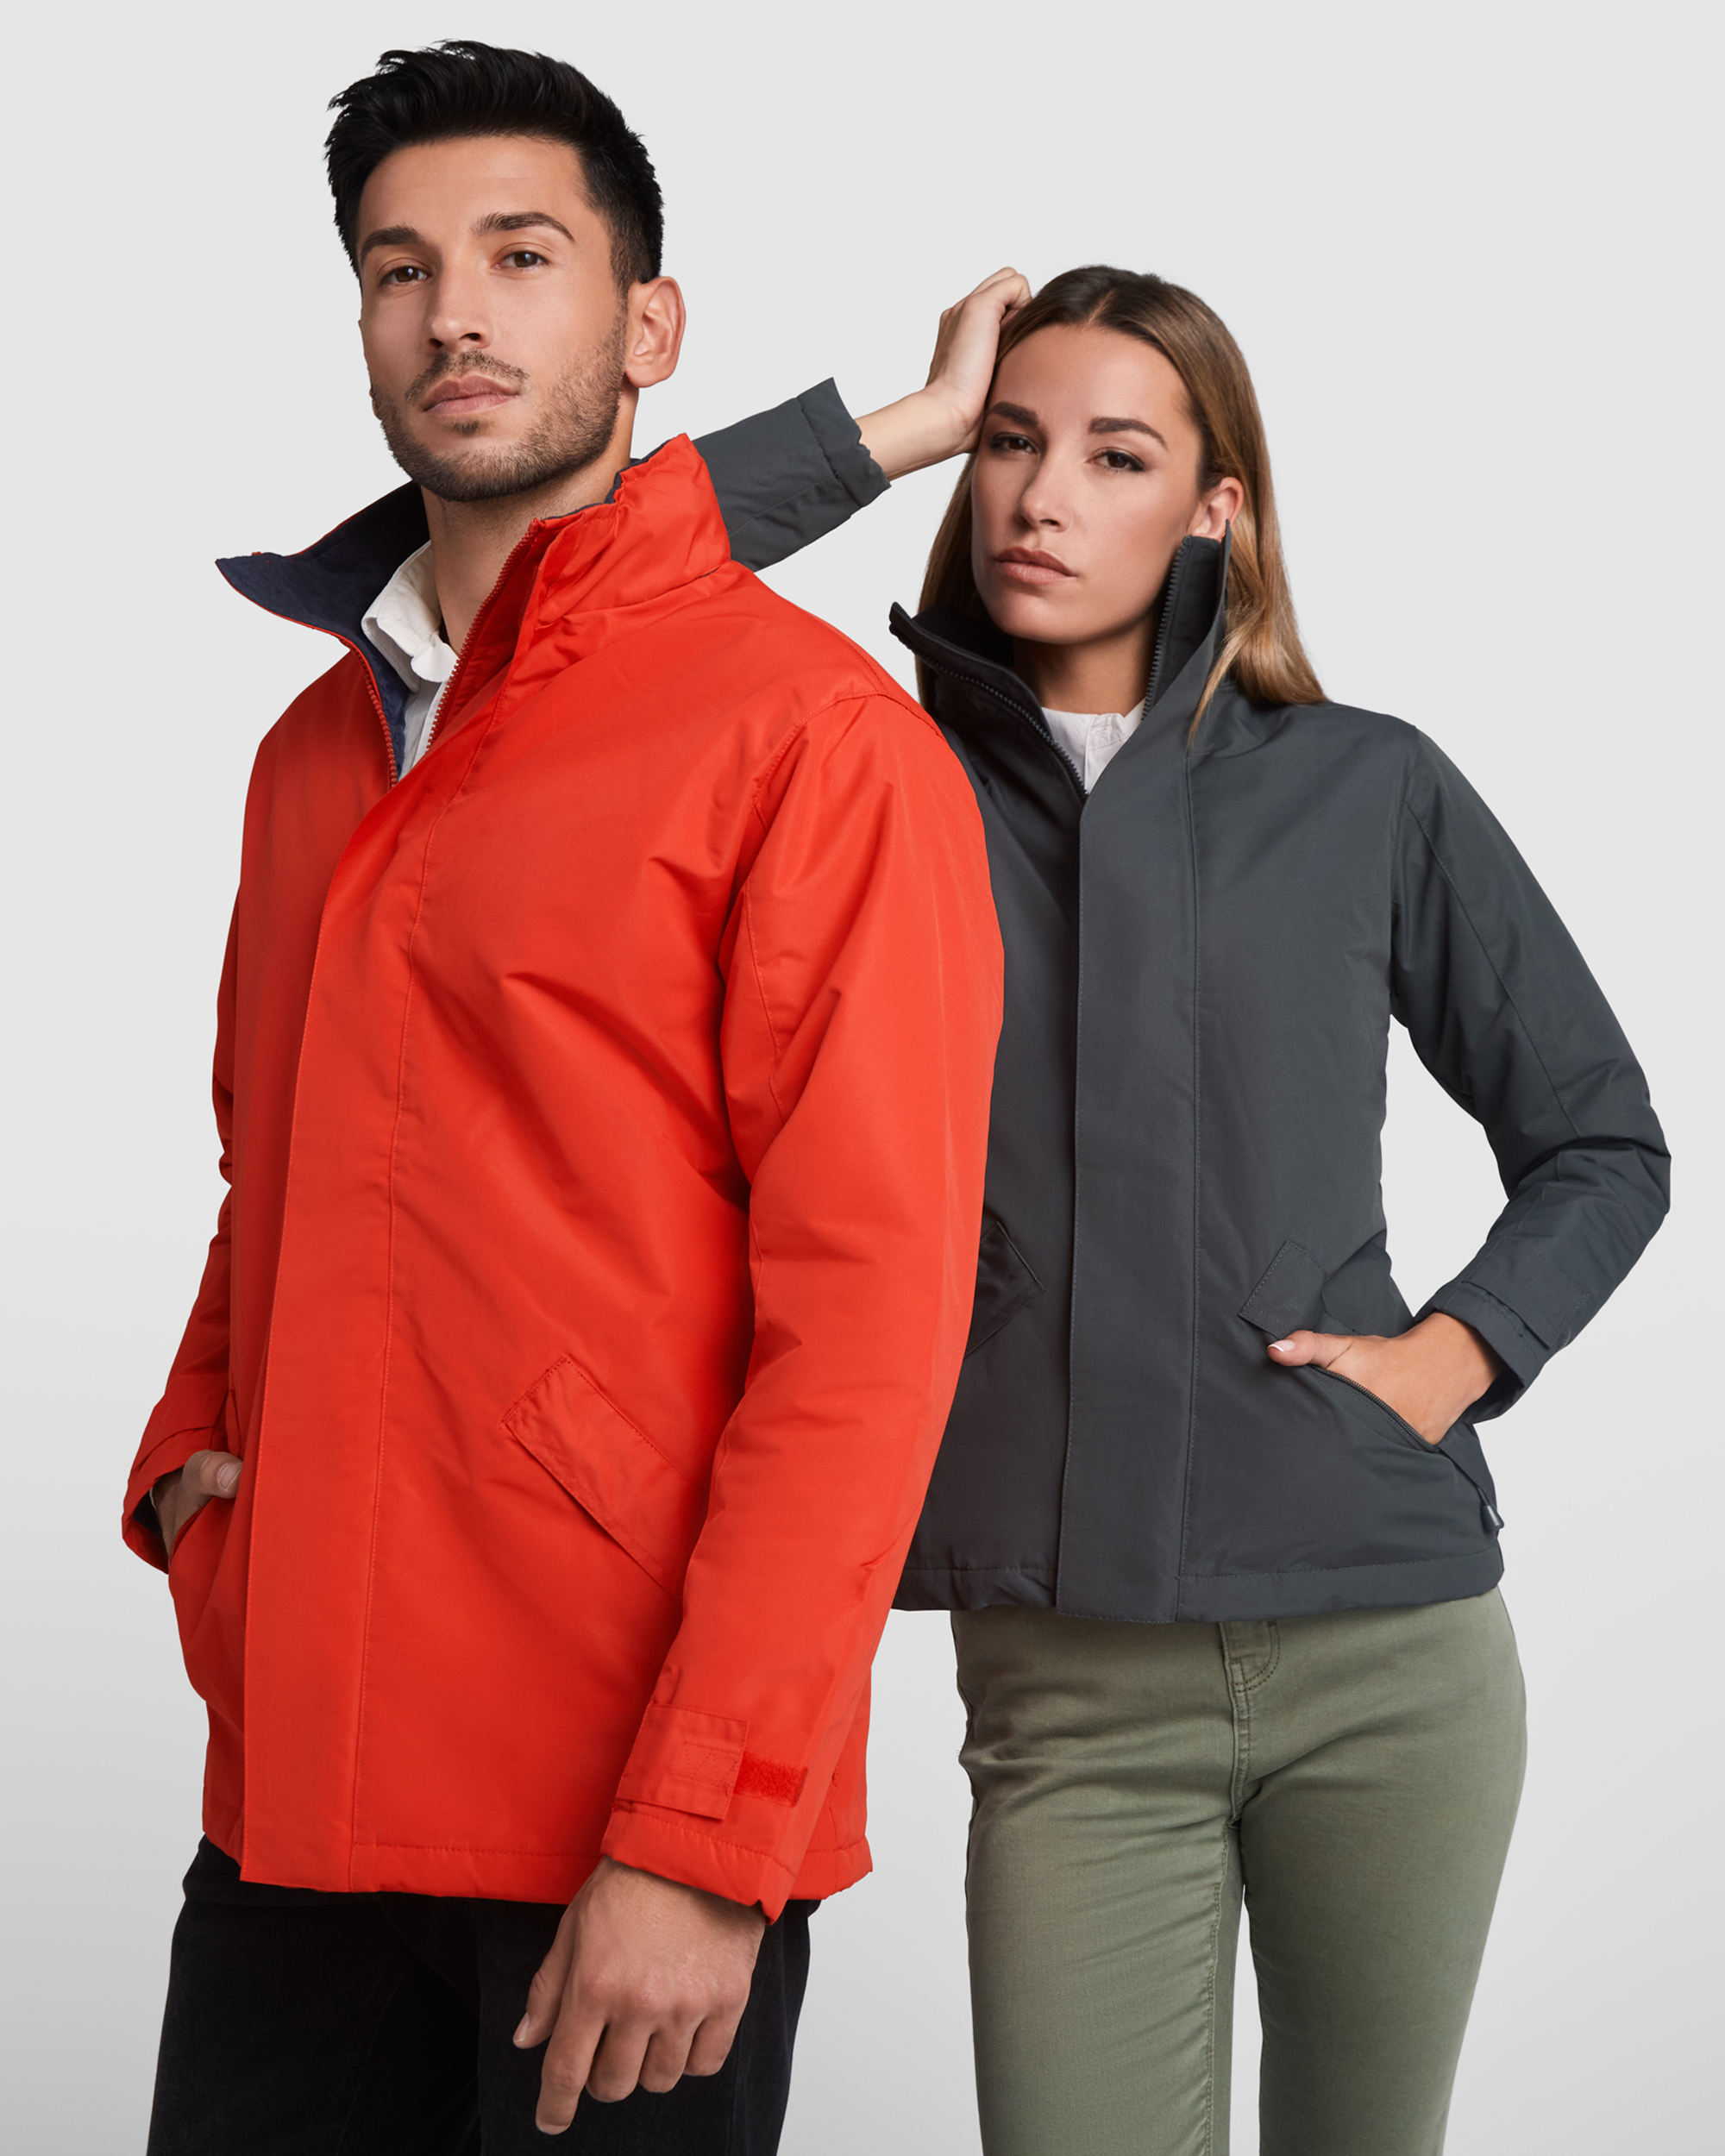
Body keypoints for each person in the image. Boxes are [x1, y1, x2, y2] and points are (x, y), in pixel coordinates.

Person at [122, 41, 1007, 2153]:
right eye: (399, 266)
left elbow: (868, 1333)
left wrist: (711, 1830)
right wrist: (190, 1488)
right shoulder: (311, 752)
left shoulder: (815, 743)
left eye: (523, 256)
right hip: (292, 1802)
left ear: (648, 324)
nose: (456, 313)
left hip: (617, 1818)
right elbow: (268, 1181)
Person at [716, 266, 1670, 2153]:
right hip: (1068, 1680)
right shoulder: (869, 779)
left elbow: (1601, 1138)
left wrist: (1457, 1353)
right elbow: (572, 591)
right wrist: (892, 429)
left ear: (1216, 506)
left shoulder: (1365, 785)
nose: (1039, 496)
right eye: (1007, 443)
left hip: (1391, 1643)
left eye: (1116, 455)